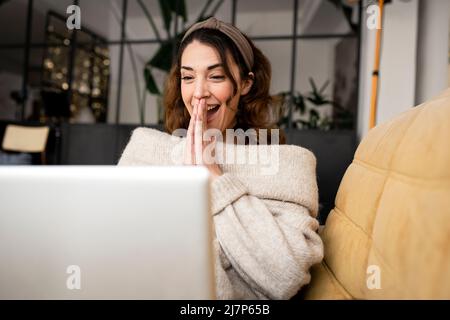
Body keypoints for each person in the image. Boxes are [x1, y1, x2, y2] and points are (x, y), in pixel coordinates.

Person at [118, 17, 323, 299]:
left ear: (246, 83)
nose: (199, 92)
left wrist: (212, 175)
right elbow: (112, 246)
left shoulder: (287, 165)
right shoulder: (147, 148)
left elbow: (286, 275)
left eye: (216, 76)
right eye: (188, 77)